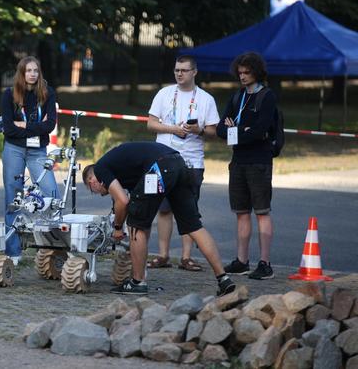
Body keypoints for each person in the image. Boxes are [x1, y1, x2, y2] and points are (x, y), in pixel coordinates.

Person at [82, 142, 236, 296]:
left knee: (135, 225)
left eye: (93, 191)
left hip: (159, 167)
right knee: (193, 226)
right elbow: (137, 207)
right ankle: (223, 279)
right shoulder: (123, 170)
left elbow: (122, 201)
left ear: (92, 181)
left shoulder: (101, 168)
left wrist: (117, 228)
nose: (100, 193)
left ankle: (137, 282)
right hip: (179, 163)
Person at [146, 55, 220, 272]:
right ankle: (163, 255)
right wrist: (173, 129)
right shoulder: (164, 94)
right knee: (164, 210)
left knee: (189, 210)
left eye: (184, 70)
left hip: (191, 161)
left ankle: (186, 257)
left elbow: (213, 132)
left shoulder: (206, 99)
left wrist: (198, 130)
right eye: (177, 70)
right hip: (164, 158)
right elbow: (151, 124)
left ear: (194, 72)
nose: (179, 74)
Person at [216, 52, 277, 280]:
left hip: (259, 162)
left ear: (256, 72)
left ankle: (265, 263)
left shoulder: (267, 97)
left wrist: (237, 130)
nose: (242, 76)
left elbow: (260, 132)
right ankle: (242, 261)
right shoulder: (237, 97)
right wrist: (244, 131)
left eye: (247, 72)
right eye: (240, 72)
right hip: (238, 161)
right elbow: (221, 129)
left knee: (262, 212)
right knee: (241, 212)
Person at [1, 56, 59, 265]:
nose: (33, 74)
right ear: (21, 73)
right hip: (14, 149)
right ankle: (13, 252)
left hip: (38, 151)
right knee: (13, 199)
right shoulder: (9, 95)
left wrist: (24, 126)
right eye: (29, 70)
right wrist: (35, 127)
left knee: (52, 194)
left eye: (36, 70)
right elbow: (8, 128)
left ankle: (52, 250)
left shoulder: (47, 93)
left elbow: (50, 125)